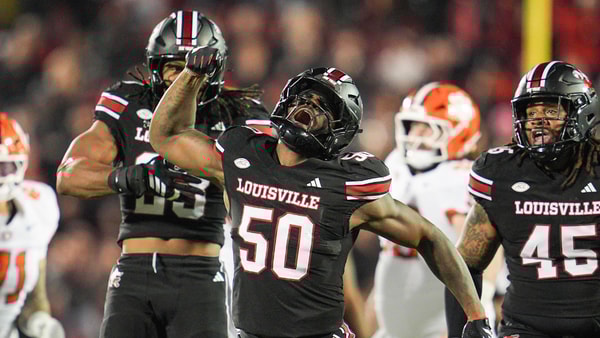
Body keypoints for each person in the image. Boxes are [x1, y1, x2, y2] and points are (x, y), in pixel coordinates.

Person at [149, 45, 493, 338]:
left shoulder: (344, 185)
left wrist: (476, 313)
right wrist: (191, 75)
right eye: (306, 97)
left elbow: (430, 237)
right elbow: (165, 136)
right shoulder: (243, 157)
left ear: (340, 128)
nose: (309, 107)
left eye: (323, 106)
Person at [56, 10, 270, 338]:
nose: (184, 80)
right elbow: (69, 175)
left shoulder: (238, 113)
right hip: (135, 270)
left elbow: (272, 181)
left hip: (201, 272)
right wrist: (127, 177)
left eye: (194, 69)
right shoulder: (131, 101)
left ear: (214, 71)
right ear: (155, 69)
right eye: (175, 68)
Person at [445, 60, 600, 338]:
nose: (538, 122)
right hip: (525, 330)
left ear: (582, 111)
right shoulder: (502, 173)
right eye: (530, 111)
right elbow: (465, 266)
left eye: (551, 110)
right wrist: (466, 325)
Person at [366, 82, 503, 338]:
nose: (415, 134)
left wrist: (480, 305)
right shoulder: (396, 164)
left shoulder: (457, 177)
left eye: (427, 127)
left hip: (440, 320)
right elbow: (390, 256)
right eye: (413, 125)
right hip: (397, 317)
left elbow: (486, 251)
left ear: (458, 132)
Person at [0, 114, 64, 338]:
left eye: (6, 166)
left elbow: (34, 297)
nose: (2, 176)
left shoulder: (38, 205)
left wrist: (39, 322)